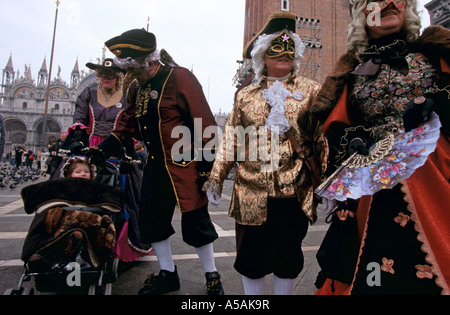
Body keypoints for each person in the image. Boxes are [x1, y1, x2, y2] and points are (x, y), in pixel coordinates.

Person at [311, 0, 450, 294]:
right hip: (372, 189)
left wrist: (436, 104)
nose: (388, 3)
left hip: (435, 178)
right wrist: (353, 142)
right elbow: (334, 130)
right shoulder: (354, 71)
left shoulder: (435, 53)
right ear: (362, 14)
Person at [87, 28, 224, 295]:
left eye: (132, 69)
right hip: (154, 165)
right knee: (152, 221)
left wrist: (209, 172)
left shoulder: (181, 78)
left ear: (148, 62)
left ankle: (212, 274)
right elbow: (124, 125)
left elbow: (205, 125)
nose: (128, 76)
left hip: (188, 164)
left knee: (196, 223)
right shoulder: (136, 88)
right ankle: (167, 273)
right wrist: (101, 151)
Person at [203, 12, 328, 295]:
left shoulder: (311, 91)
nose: (284, 54)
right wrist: (215, 177)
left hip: (293, 190)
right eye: (275, 49)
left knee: (288, 260)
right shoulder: (245, 96)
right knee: (250, 260)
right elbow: (231, 140)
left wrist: (329, 186)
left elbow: (322, 141)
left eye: (289, 49)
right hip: (250, 190)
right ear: (263, 56)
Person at [73, 58, 126, 148]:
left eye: (110, 75)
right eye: (102, 74)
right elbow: (80, 118)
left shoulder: (125, 99)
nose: (106, 78)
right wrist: (78, 140)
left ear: (118, 78)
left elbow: (127, 125)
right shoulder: (88, 94)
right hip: (90, 145)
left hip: (114, 146)